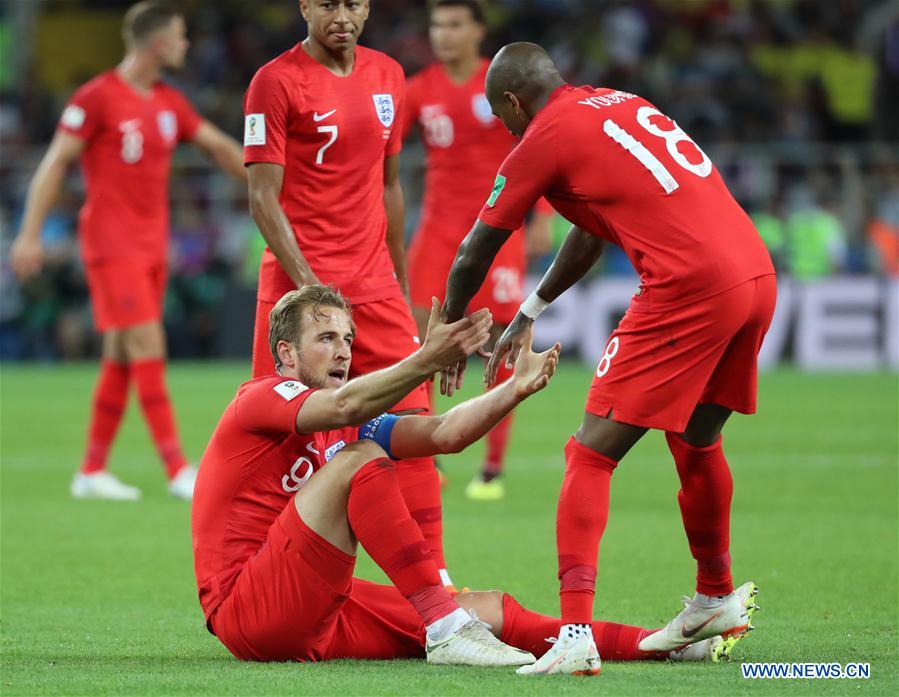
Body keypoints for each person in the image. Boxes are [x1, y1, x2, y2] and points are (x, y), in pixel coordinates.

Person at [191, 284, 753, 667]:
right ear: (286, 355)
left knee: (487, 610)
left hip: (312, 605)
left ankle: (667, 646)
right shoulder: (260, 397)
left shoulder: (344, 417)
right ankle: (445, 630)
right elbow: (345, 406)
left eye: (347, 339)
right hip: (246, 608)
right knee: (359, 461)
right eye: (326, 339)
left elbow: (442, 434)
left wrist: (513, 390)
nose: (343, 352)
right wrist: (426, 360)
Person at [441, 43, 773, 675]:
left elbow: (474, 250)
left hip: (688, 284)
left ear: (513, 101)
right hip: (754, 272)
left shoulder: (543, 135)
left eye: (501, 116)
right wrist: (531, 309)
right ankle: (714, 596)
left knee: (589, 453)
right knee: (696, 438)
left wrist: (448, 329)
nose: (505, 129)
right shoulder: (612, 104)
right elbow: (593, 229)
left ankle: (574, 638)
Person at [243, 0, 454, 589]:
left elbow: (390, 187)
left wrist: (400, 284)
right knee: (282, 438)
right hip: (297, 290)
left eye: (354, 3)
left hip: (375, 283)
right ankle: (267, 575)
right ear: (305, 6)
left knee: (414, 423)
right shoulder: (274, 82)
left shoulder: (388, 75)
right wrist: (312, 291)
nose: (343, 15)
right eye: (329, 3)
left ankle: (437, 582)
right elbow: (261, 196)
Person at [10, 1, 246, 501]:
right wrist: (29, 234)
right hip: (112, 245)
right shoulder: (97, 97)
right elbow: (55, 163)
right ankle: (178, 469)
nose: (186, 45)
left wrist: (266, 179)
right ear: (159, 44)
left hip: (152, 246)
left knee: (121, 354)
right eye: (180, 36)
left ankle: (91, 470)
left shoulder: (169, 102)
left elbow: (216, 146)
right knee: (146, 344)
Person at [404, 0, 545, 501]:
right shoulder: (418, 90)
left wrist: (544, 213)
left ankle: (491, 468)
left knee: (504, 338)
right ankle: (425, 457)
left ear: (478, 31)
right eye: (436, 25)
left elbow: (542, 145)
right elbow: (380, 148)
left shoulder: (501, 83)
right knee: (418, 339)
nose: (443, 34)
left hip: (498, 232)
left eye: (454, 24)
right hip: (437, 233)